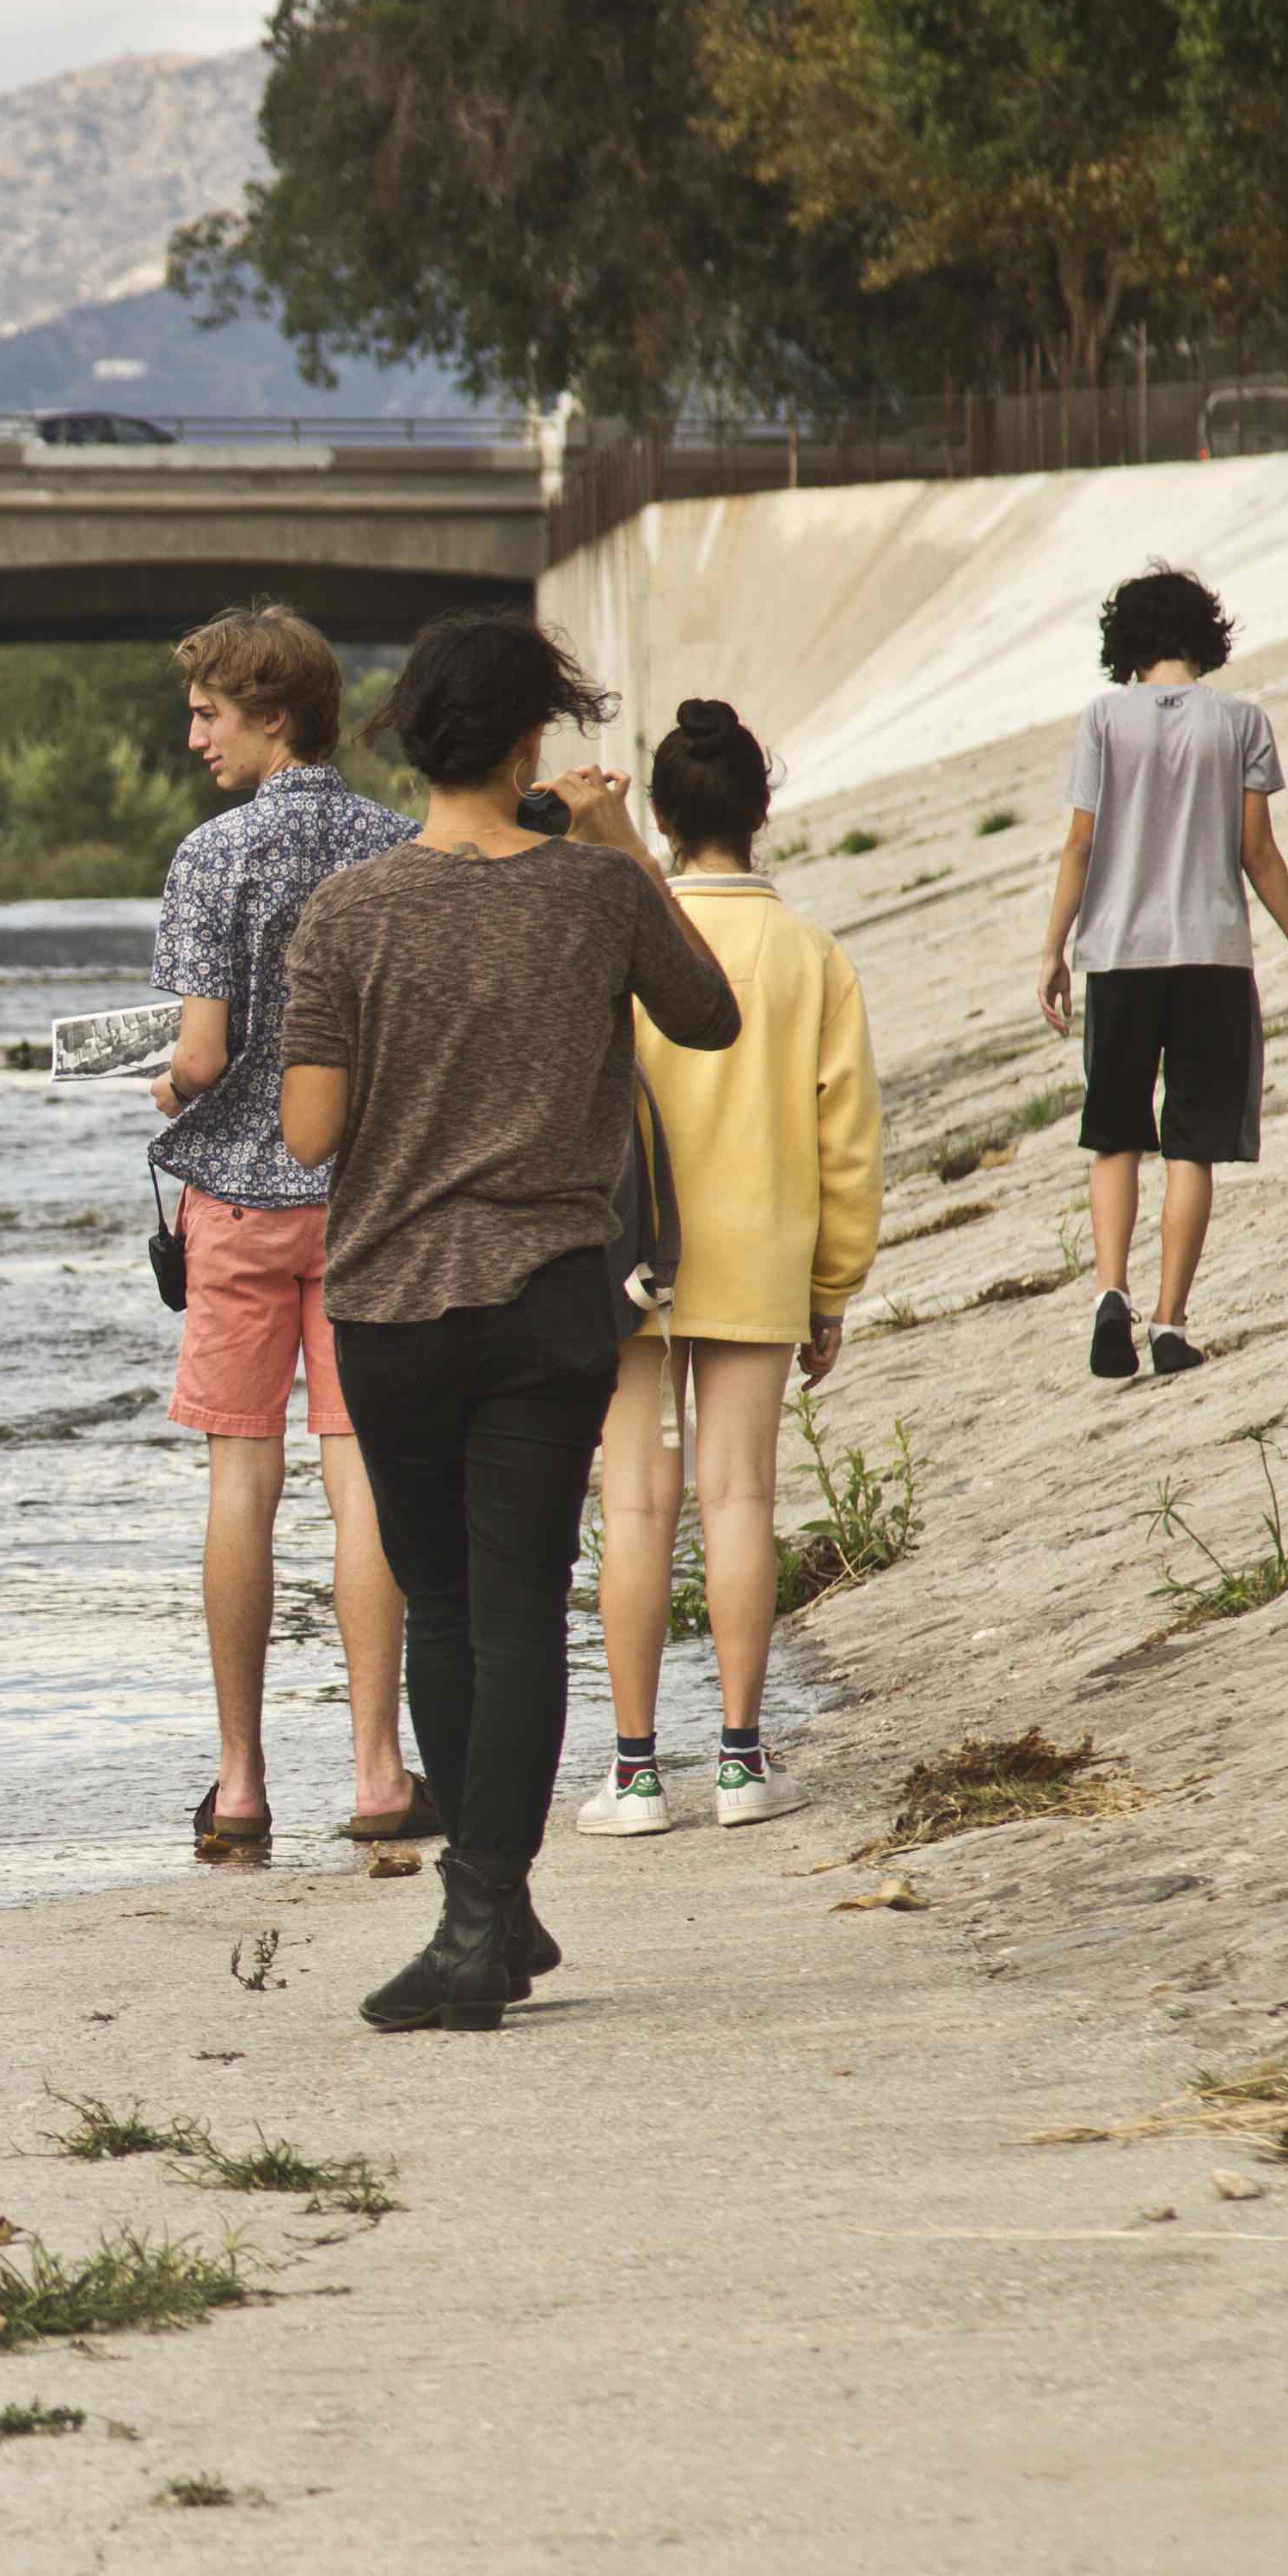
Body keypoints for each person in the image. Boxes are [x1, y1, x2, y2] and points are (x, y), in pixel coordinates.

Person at [278, 611, 737, 2032]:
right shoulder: (592, 903)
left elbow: (306, 1135)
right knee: (520, 1598)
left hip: (390, 1305)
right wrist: (611, 848)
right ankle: (494, 1898)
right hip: (548, 1296)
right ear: (531, 740)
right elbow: (707, 1016)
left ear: (408, 740)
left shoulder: (346, 913)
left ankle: (475, 1924)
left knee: (441, 1612)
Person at [141, 603, 427, 1851]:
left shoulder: (212, 857)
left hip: (241, 1211)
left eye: (209, 714)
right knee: (361, 1478)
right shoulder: (397, 842)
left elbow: (201, 1055)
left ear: (273, 715)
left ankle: (243, 1781)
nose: (195, 736)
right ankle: (378, 1773)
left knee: (240, 1483)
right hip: (366, 1199)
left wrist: (165, 1083)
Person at [574, 700, 882, 1839]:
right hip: (762, 1255)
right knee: (743, 1498)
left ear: (658, 815)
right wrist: (834, 1284)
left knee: (638, 1506)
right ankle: (746, 1762)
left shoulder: (620, 933)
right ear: (762, 812)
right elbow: (846, 1140)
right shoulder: (809, 953)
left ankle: (639, 1774)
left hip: (628, 1258)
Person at [1035, 565, 1288, 1380]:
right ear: (1204, 634)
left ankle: (1112, 1293)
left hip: (1118, 956)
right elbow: (1258, 853)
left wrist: (1052, 949)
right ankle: (1172, 1323)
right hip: (1212, 957)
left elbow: (1080, 844)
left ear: (1128, 642)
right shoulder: (1242, 722)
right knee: (1191, 1145)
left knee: (1113, 1135)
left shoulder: (1103, 721)